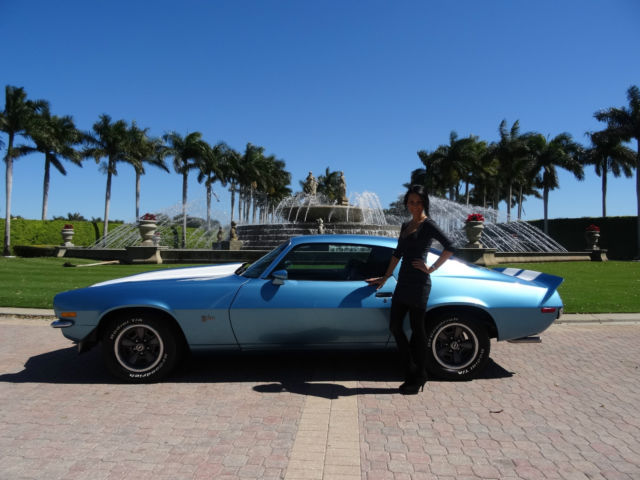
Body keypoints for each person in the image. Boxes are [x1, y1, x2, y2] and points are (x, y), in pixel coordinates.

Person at [366, 185, 455, 394]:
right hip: (403, 282)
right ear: (407, 203)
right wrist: (385, 277)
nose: (414, 206)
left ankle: (419, 374)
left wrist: (431, 268)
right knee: (395, 327)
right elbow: (397, 253)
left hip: (419, 283)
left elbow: (450, 246)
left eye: (418, 202)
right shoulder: (406, 225)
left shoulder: (429, 225)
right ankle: (412, 369)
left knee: (418, 330)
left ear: (424, 203)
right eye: (411, 202)